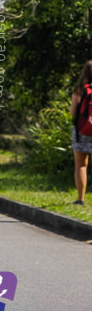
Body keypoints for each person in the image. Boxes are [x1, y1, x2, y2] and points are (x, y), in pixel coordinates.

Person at [70, 61, 92, 205]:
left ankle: (80, 199)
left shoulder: (79, 90)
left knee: (81, 166)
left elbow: (72, 113)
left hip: (81, 131)